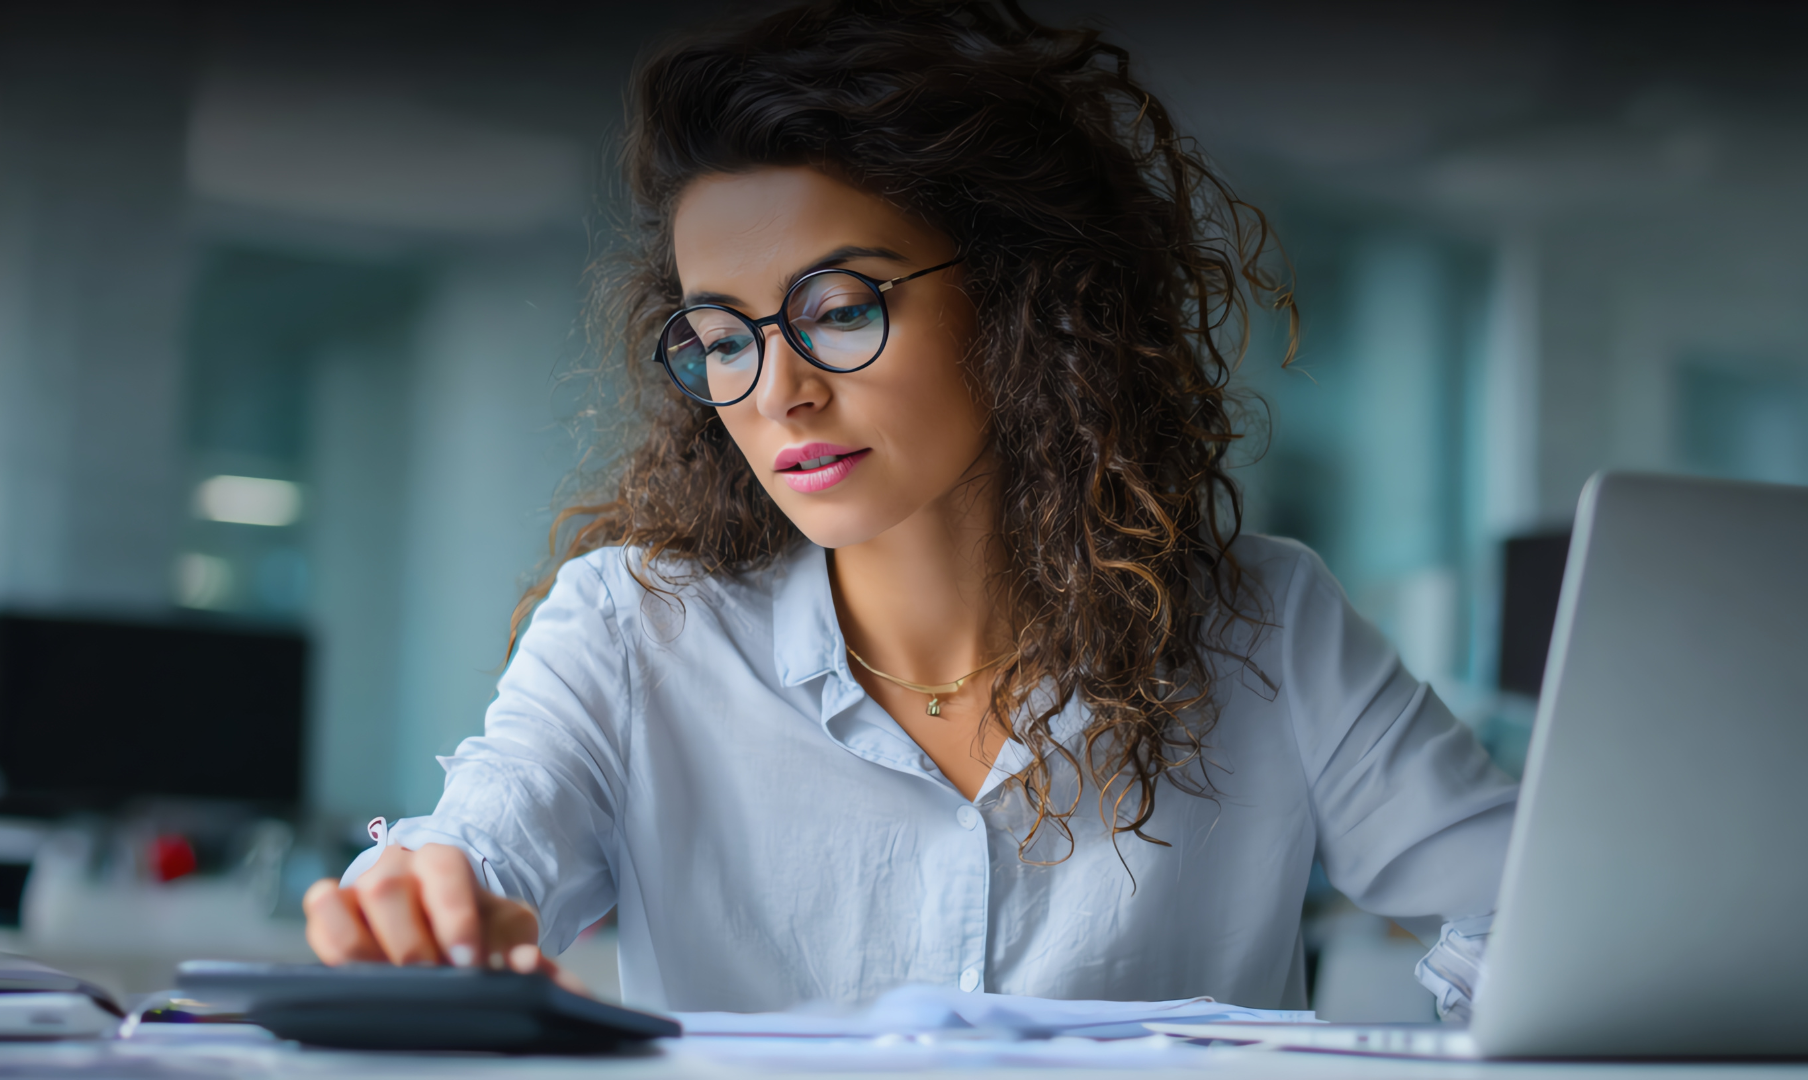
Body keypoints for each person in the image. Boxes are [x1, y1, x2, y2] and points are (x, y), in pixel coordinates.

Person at [302, 0, 1515, 1017]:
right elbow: (487, 842)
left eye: (840, 309)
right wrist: (426, 900)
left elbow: (1539, 920)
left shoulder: (1265, 625)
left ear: (1022, 304)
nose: (777, 391)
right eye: (722, 337)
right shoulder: (633, 628)